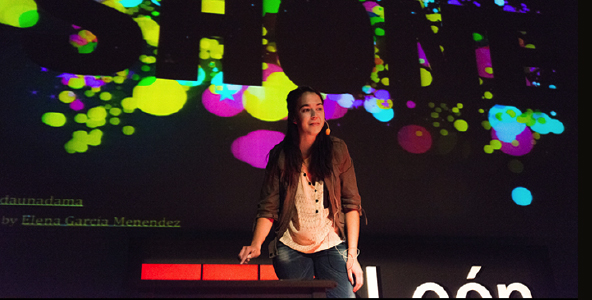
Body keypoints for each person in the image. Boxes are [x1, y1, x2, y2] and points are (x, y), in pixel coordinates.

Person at [238, 86, 365, 298]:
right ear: (295, 117)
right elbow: (268, 208)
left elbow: (351, 203)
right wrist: (256, 244)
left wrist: (352, 255)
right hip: (291, 246)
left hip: (330, 241)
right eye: (306, 109)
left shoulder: (337, 149)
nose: (315, 115)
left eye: (319, 108)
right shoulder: (281, 156)